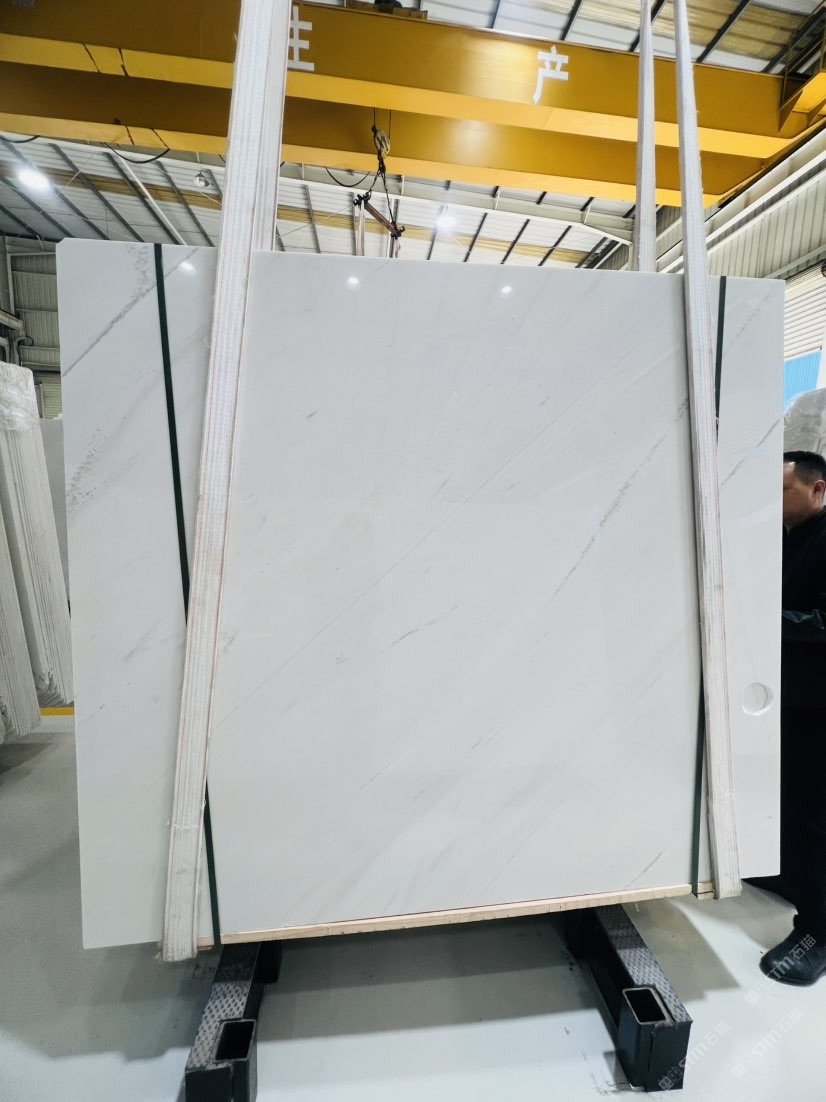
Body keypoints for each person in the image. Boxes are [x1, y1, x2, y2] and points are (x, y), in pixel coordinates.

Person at [755, 450, 826, 985]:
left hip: (819, 708)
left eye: (783, 489)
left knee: (814, 818)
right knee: (787, 804)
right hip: (788, 700)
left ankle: (817, 937)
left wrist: (759, 620)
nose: (773, 499)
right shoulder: (785, 538)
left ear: (817, 490)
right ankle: (791, 880)